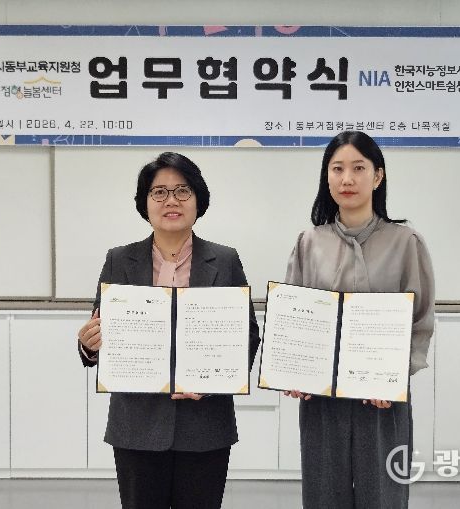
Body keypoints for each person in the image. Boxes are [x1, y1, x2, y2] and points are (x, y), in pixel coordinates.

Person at [77, 151, 261, 509]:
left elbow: (247, 335)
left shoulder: (225, 260)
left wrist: (212, 381)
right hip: (136, 426)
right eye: (159, 192)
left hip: (205, 426)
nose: (171, 201)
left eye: (182, 191)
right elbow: (99, 332)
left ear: (198, 200)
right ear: (144, 203)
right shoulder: (119, 259)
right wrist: (88, 345)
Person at [284, 131, 435, 509]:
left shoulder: (406, 242)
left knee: (383, 496)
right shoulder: (308, 242)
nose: (347, 179)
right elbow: (294, 317)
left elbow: (420, 321)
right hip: (322, 399)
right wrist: (295, 371)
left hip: (381, 400)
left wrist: (394, 376)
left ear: (377, 176)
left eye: (358, 168)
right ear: (327, 176)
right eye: (337, 169)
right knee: (323, 496)